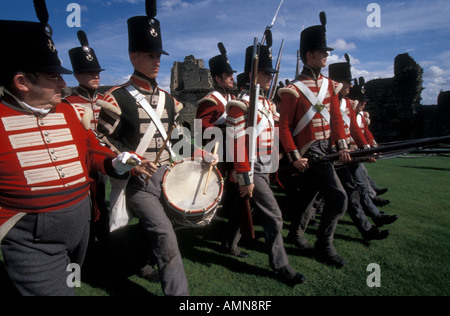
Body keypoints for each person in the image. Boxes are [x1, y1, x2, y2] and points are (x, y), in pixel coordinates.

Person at [0, 0, 140, 296]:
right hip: (32, 238)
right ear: (22, 81)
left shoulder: (64, 111)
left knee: (70, 284)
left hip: (81, 225)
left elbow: (91, 152)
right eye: (53, 77)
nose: (63, 84)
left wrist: (116, 164)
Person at [96, 0, 217, 296]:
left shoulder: (168, 100)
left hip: (165, 176)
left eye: (158, 55)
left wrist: (202, 154)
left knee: (166, 230)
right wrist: (132, 163)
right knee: (165, 237)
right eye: (150, 55)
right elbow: (98, 144)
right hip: (136, 184)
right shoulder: (115, 99)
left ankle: (136, 261)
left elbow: (178, 138)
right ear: (133, 55)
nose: (157, 61)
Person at [225, 43, 306, 286]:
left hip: (265, 167)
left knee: (242, 210)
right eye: (266, 73)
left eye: (272, 74)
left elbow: (284, 131)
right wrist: (245, 177)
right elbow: (236, 143)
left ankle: (229, 243)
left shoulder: (269, 105)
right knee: (274, 216)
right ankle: (281, 266)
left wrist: (295, 155)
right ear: (253, 74)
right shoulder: (240, 106)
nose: (271, 78)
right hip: (249, 170)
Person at [278, 12, 351, 268]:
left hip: (327, 148)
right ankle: (324, 245)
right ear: (308, 55)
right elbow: (284, 127)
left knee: (311, 195)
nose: (326, 56)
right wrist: (294, 156)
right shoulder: (293, 90)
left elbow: (336, 120)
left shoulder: (331, 86)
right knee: (339, 198)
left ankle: (296, 233)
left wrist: (342, 145)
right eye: (322, 51)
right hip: (308, 152)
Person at [328, 57, 391, 240]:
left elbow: (355, 129)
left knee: (354, 190)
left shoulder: (347, 103)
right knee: (345, 194)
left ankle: (372, 224)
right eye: (347, 81)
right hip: (333, 153)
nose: (350, 85)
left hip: (346, 153)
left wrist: (367, 149)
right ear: (338, 83)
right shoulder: (326, 100)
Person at [195, 43, 248, 258]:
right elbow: (200, 129)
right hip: (219, 156)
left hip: (231, 154)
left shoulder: (229, 99)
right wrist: (222, 126)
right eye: (227, 75)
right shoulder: (210, 100)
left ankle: (228, 238)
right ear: (217, 78)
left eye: (232, 75)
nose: (232, 78)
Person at [65, 30, 110, 241]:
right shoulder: (67, 104)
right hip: (81, 161)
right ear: (77, 75)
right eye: (90, 72)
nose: (96, 76)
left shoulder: (106, 100)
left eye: (97, 72)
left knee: (102, 197)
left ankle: (102, 234)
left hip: (104, 158)